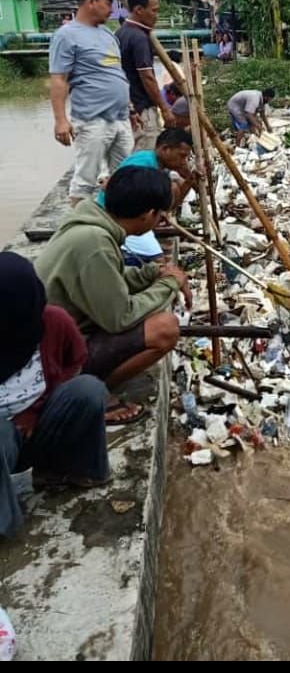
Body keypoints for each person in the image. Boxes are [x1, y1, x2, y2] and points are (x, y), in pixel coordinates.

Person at [35, 166, 190, 422]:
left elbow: (110, 282)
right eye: (161, 214)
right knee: (165, 328)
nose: (161, 220)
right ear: (149, 214)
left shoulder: (91, 222)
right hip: (52, 356)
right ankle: (86, 391)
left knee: (154, 306)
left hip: (56, 336)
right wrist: (169, 285)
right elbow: (120, 317)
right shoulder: (95, 243)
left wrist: (153, 274)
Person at [0, 253, 110, 539]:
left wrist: (34, 411)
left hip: (38, 425)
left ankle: (67, 470)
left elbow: (76, 361)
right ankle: (4, 525)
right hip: (3, 441)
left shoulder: (51, 321)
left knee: (88, 389)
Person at [50, 0, 134, 206]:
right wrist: (60, 120)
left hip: (120, 119)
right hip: (92, 119)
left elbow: (116, 73)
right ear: (90, 1)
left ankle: (118, 227)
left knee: (123, 178)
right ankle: (79, 227)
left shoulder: (107, 34)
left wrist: (130, 107)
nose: (111, 8)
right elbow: (59, 78)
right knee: (85, 181)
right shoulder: (67, 35)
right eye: (108, 2)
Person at [96, 128, 197, 266]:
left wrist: (190, 180)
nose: (183, 161)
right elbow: (113, 187)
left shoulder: (160, 168)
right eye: (181, 156)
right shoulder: (143, 164)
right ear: (165, 149)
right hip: (114, 217)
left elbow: (170, 204)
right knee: (157, 262)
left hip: (129, 217)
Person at [117, 0, 175, 151]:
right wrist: (164, 108)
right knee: (146, 154)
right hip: (142, 108)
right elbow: (147, 77)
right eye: (154, 11)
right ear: (139, 10)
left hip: (127, 107)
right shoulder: (139, 37)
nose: (156, 16)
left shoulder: (120, 33)